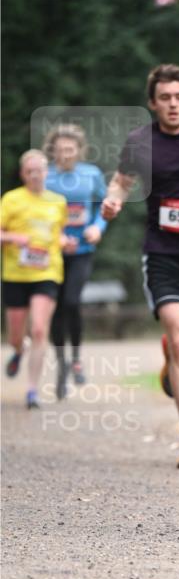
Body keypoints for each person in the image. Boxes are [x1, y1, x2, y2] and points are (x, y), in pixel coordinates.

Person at [102, 64, 179, 469]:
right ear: (153, 103)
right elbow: (121, 180)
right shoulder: (140, 141)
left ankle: (171, 360)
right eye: (165, 98)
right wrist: (114, 199)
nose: (172, 104)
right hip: (163, 254)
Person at [1, 149, 70, 409]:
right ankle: (19, 350)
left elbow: (58, 235)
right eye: (29, 171)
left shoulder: (57, 201)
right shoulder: (11, 200)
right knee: (16, 336)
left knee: (40, 328)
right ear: (23, 174)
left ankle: (32, 391)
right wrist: (12, 238)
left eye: (39, 170)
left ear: (46, 172)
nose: (34, 175)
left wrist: (66, 242)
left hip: (47, 271)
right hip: (16, 274)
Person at [43, 123, 108, 399]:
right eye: (60, 151)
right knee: (56, 309)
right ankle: (61, 367)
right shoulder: (45, 177)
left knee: (72, 301)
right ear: (53, 152)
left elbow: (105, 208)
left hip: (82, 250)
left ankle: (78, 357)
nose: (65, 155)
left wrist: (97, 228)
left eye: (70, 150)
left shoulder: (91, 174)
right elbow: (38, 212)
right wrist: (53, 236)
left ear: (79, 151)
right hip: (52, 253)